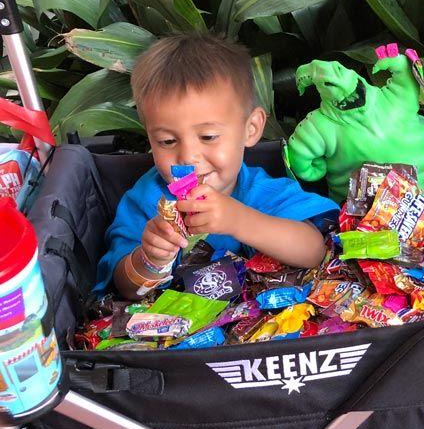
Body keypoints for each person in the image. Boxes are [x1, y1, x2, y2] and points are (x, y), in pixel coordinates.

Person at [93, 33, 338, 300]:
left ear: (251, 128)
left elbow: (314, 251)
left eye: (208, 137)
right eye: (167, 141)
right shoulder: (146, 201)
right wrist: (149, 260)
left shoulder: (262, 191)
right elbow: (125, 288)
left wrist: (240, 220)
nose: (188, 157)